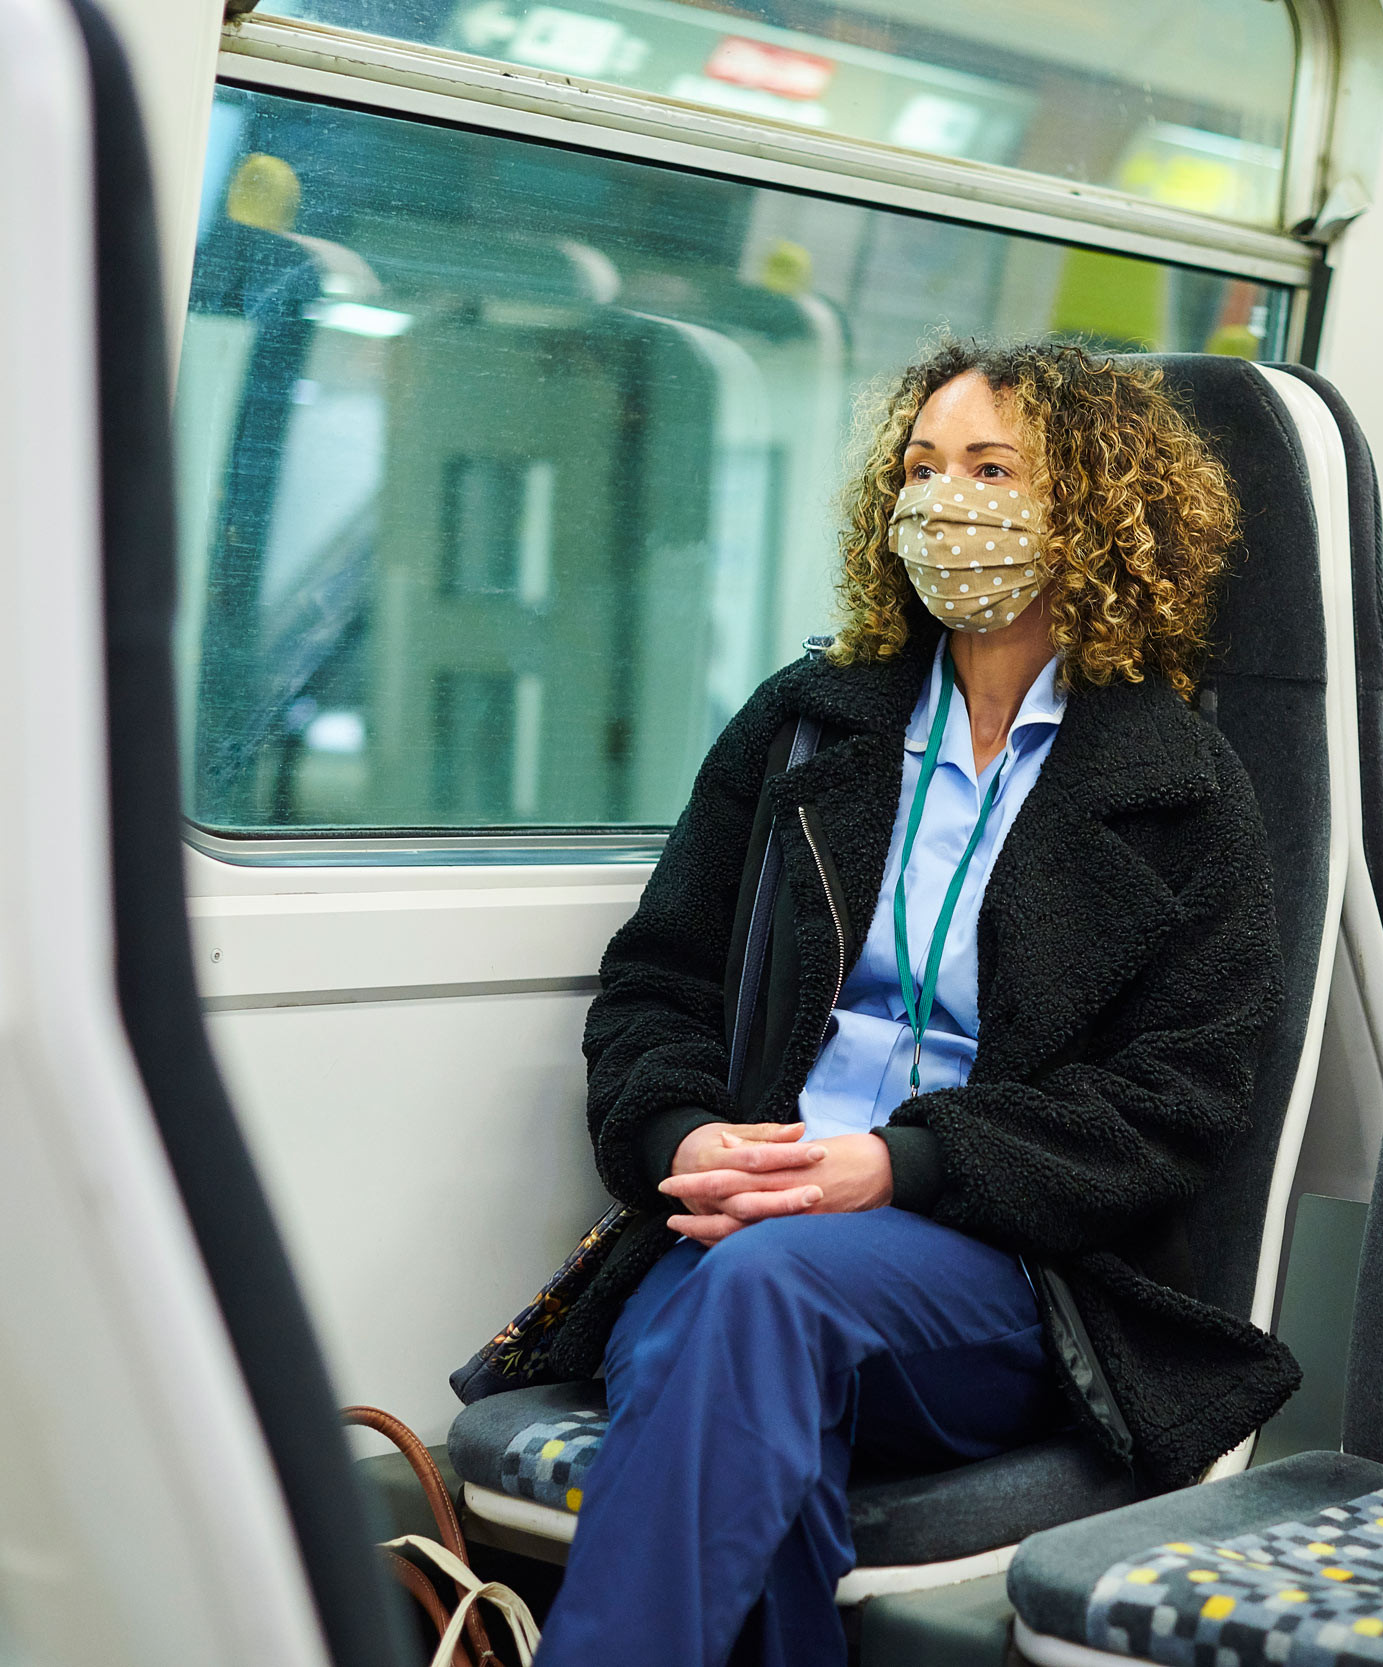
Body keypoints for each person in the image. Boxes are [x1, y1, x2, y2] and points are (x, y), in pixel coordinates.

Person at [536, 340, 1296, 1667]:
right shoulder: (807, 729)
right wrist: (680, 1139)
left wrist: (901, 1167)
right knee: (742, 1367)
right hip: (742, 1226)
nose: (945, 501)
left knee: (747, 1319)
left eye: (991, 470)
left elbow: (1180, 1106)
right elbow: (656, 982)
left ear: (1093, 512)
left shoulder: (1185, 790)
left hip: (1011, 1270)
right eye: (922, 468)